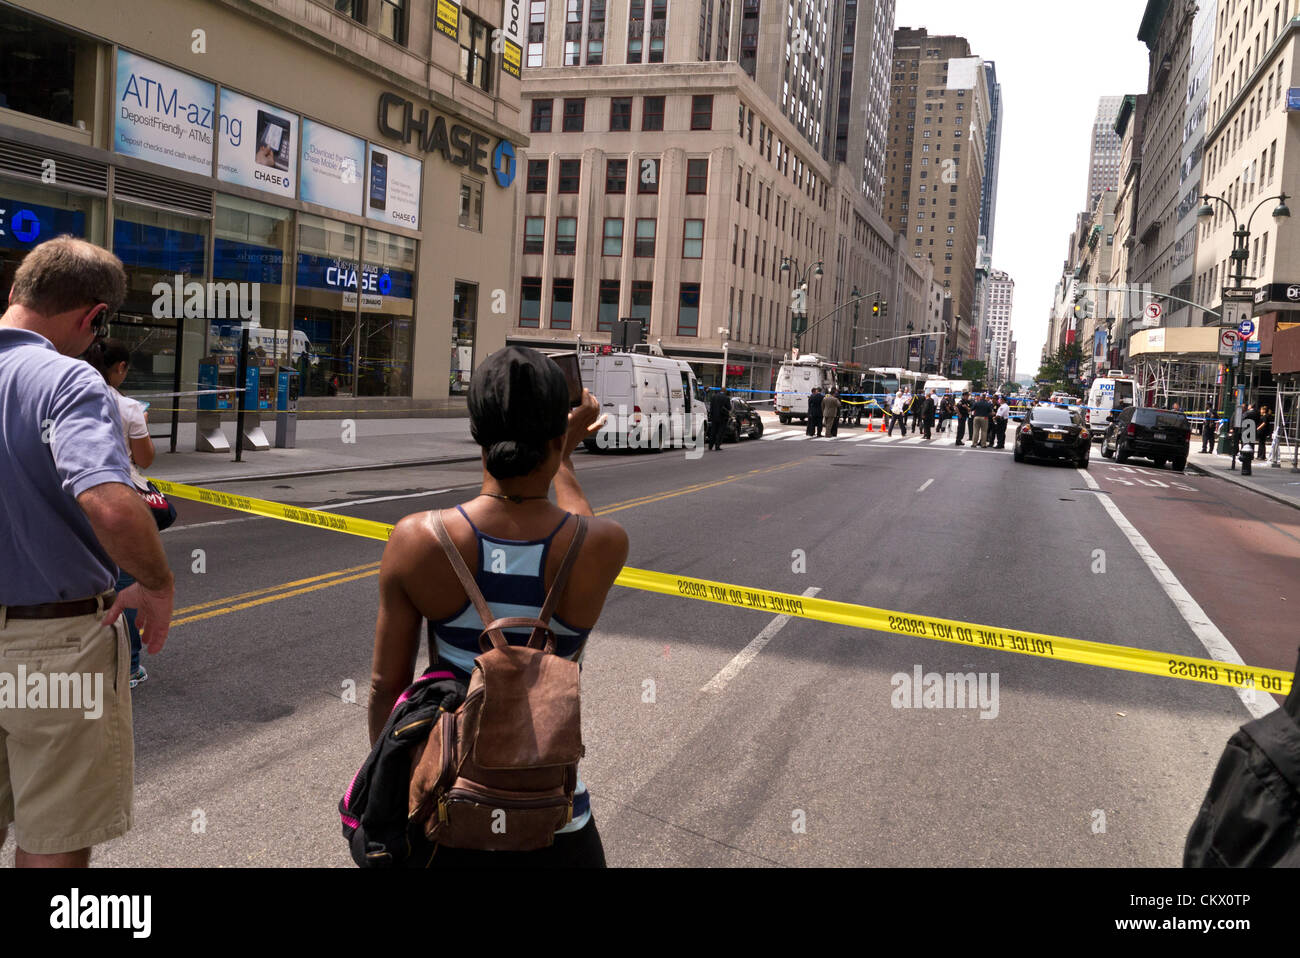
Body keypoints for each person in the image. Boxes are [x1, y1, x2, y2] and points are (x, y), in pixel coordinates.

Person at [368, 346, 629, 867]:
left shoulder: (419, 539)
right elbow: (578, 519)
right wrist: (568, 457)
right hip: (553, 819)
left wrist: (400, 781)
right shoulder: (602, 545)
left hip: (448, 809)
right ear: (557, 438)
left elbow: (385, 688)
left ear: (477, 433)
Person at [0, 237, 175, 868]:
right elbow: (107, 502)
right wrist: (156, 584)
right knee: (54, 837)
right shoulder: (66, 380)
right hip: (54, 642)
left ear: (17, 292)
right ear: (92, 317)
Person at [83, 339, 156, 688]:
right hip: (119, 499)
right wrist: (140, 423)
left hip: (79, 500)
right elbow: (144, 459)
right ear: (121, 368)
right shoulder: (128, 408)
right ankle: (128, 667)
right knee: (124, 585)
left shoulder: (70, 395)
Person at [707, 385, 732, 451]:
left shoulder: (714, 396)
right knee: (720, 432)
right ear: (725, 391)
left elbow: (711, 407)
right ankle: (717, 446)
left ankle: (710, 446)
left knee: (713, 432)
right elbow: (729, 408)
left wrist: (711, 415)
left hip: (714, 417)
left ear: (720, 390)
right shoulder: (726, 398)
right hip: (723, 418)